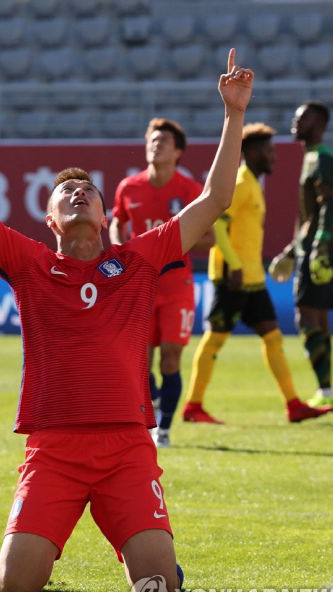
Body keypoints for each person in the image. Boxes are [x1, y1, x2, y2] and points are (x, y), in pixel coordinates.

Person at [0, 44, 254, 592]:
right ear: (50, 219)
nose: (78, 193)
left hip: (126, 446)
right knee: (14, 589)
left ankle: (152, 557)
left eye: (88, 192)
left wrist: (234, 114)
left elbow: (218, 197)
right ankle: (18, 555)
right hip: (53, 447)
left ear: (106, 216)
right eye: (65, 193)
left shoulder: (141, 258)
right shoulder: (29, 263)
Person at [182, 122, 333, 425]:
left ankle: (293, 404)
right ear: (251, 152)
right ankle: (193, 407)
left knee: (273, 337)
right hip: (233, 276)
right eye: (268, 151)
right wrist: (234, 266)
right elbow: (219, 227)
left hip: (252, 278)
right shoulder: (239, 183)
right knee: (214, 340)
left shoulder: (252, 182)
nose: (273, 156)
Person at [109, 118, 213, 449]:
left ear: (178, 151)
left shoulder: (190, 191)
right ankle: (152, 406)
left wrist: (170, 239)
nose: (156, 144)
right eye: (152, 140)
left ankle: (164, 430)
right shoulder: (129, 187)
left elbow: (209, 238)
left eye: (164, 141)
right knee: (138, 360)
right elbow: (117, 222)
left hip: (176, 285)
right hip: (140, 285)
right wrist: (119, 248)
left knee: (170, 359)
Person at [269, 102, 333, 411]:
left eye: (303, 117)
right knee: (320, 318)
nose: (295, 120)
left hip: (319, 250)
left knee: (307, 316)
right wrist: (292, 248)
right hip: (314, 246)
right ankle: (326, 390)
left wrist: (319, 246)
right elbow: (311, 215)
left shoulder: (322, 159)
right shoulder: (312, 157)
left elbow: (330, 205)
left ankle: (325, 389)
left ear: (318, 123)